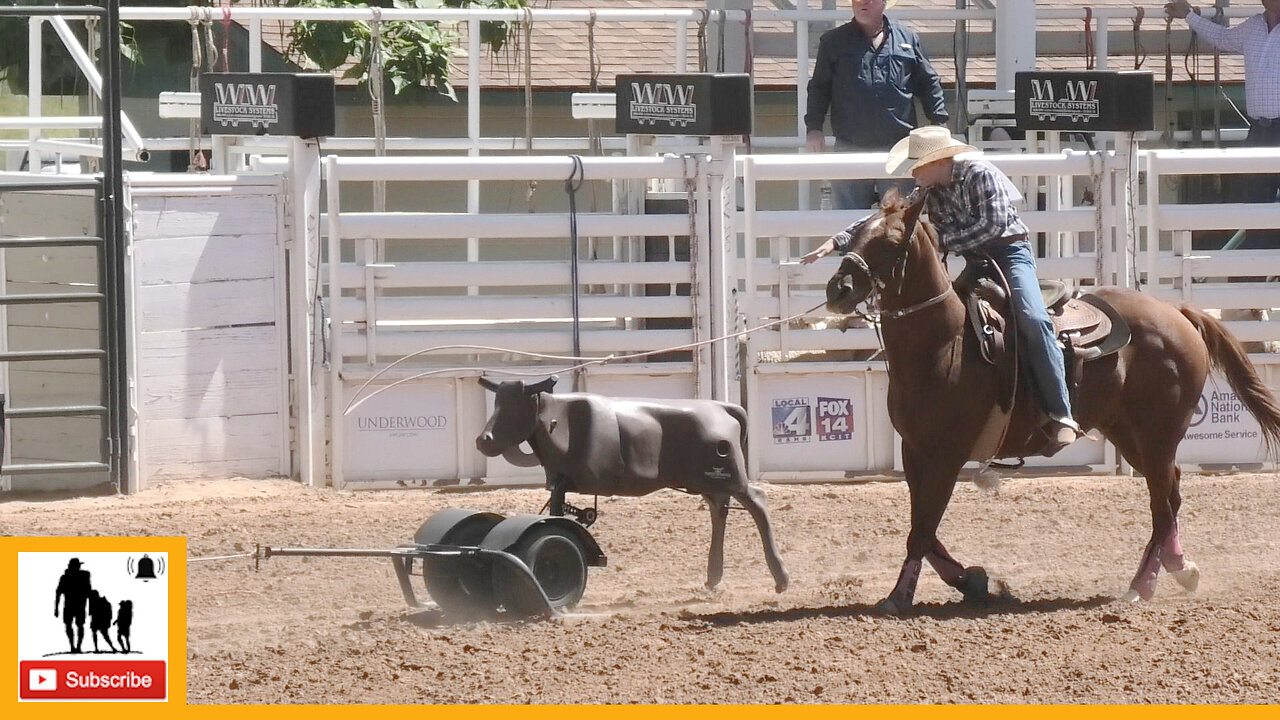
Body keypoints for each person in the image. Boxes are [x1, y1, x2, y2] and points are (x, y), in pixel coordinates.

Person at [896, 126, 1082, 454]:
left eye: (918, 164)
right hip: (975, 259)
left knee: (1032, 319)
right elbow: (898, 219)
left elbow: (993, 225)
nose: (913, 171)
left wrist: (943, 241)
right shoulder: (928, 188)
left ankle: (1061, 412)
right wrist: (842, 241)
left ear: (938, 161)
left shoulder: (979, 174)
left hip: (1010, 253)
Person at [805, 0, 948, 210]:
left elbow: (928, 83)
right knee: (851, 229)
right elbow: (819, 88)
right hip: (850, 148)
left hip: (900, 151)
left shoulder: (907, 39)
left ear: (883, 2)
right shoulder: (833, 42)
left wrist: (939, 123)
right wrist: (814, 129)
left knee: (899, 227)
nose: (862, 3)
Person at [1166, 1, 1280, 208]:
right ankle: (1257, 241)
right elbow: (1222, 38)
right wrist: (1189, 15)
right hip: (1260, 131)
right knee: (1250, 202)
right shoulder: (1253, 26)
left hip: (1268, 130)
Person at [54, 557, 92, 653]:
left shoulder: (68, 577)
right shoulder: (83, 576)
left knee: (74, 625)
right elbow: (89, 591)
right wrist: (56, 608)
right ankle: (75, 646)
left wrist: (56, 608)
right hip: (77, 605)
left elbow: (58, 593)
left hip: (73, 605)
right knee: (76, 625)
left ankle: (75, 646)